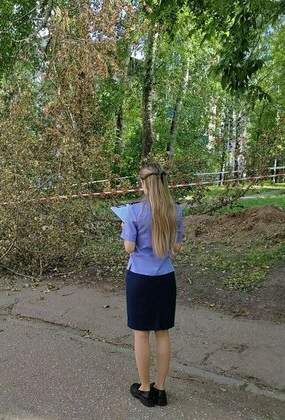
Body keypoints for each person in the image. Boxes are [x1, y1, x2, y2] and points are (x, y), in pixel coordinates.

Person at [120, 162, 183, 408]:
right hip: (165, 278)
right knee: (163, 333)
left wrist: (125, 229)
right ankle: (161, 389)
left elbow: (129, 248)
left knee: (141, 334)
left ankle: (145, 389)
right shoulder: (175, 210)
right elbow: (176, 248)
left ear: (144, 183)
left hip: (140, 279)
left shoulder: (133, 212)